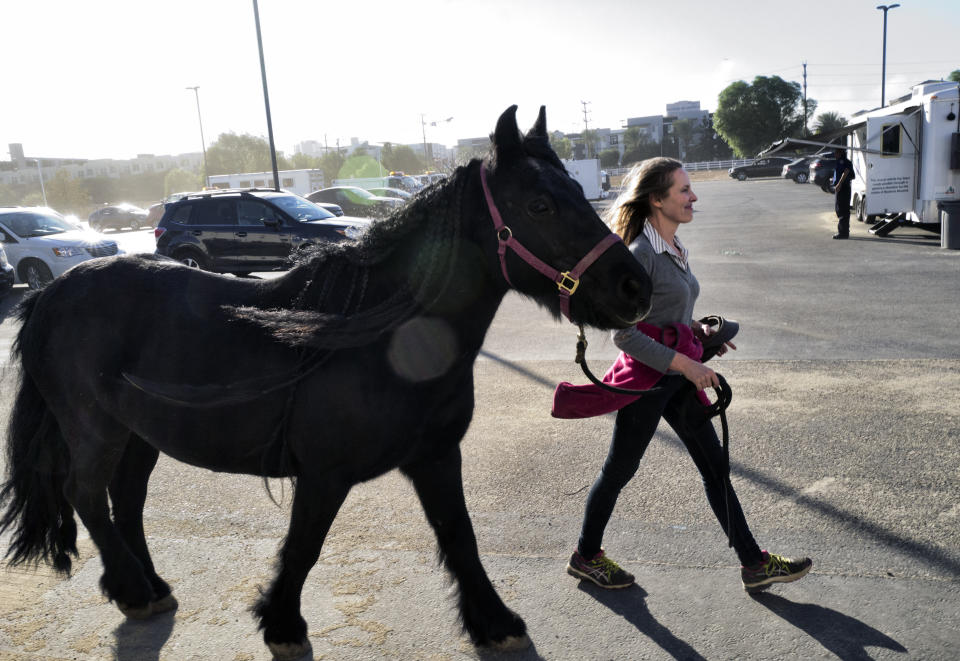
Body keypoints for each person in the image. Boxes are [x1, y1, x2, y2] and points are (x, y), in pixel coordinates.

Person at [562, 157, 812, 593]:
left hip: (676, 376)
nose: (693, 196)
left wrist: (698, 333)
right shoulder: (641, 254)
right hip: (648, 380)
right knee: (620, 470)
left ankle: (754, 564)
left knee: (715, 468)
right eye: (683, 190)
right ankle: (586, 556)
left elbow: (662, 314)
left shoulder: (673, 247)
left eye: (690, 188)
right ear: (657, 200)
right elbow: (625, 335)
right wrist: (688, 363)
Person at [831, 147, 855, 239]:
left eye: (836, 152)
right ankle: (845, 231)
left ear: (840, 153)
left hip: (843, 188)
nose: (834, 154)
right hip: (844, 188)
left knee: (842, 210)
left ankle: (843, 233)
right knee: (842, 210)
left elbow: (846, 172)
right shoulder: (846, 162)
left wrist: (840, 183)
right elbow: (852, 176)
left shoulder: (842, 161)